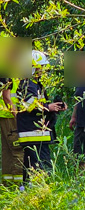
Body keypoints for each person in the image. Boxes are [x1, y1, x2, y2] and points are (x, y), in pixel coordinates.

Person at [17, 50, 66, 184]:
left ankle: (26, 191)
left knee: (30, 166)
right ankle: (40, 192)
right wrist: (48, 107)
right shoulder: (27, 84)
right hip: (33, 133)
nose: (42, 70)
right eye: (40, 67)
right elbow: (30, 104)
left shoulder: (34, 84)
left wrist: (54, 107)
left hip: (36, 133)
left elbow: (40, 105)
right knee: (41, 166)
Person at [0, 77, 24, 189]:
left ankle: (7, 185)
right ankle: (18, 185)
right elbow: (7, 97)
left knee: (7, 151)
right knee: (17, 148)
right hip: (10, 115)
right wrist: (17, 117)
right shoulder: (8, 75)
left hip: (5, 115)